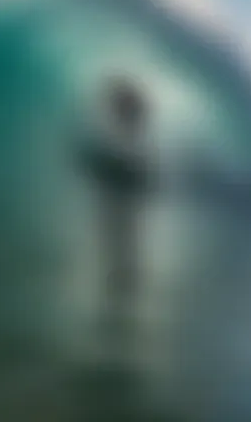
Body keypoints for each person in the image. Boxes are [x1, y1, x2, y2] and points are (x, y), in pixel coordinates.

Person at [79, 75, 155, 320]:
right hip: (124, 183)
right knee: (119, 235)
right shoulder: (127, 120)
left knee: (122, 234)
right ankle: (122, 281)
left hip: (126, 185)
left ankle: (123, 282)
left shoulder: (131, 118)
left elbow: (133, 164)